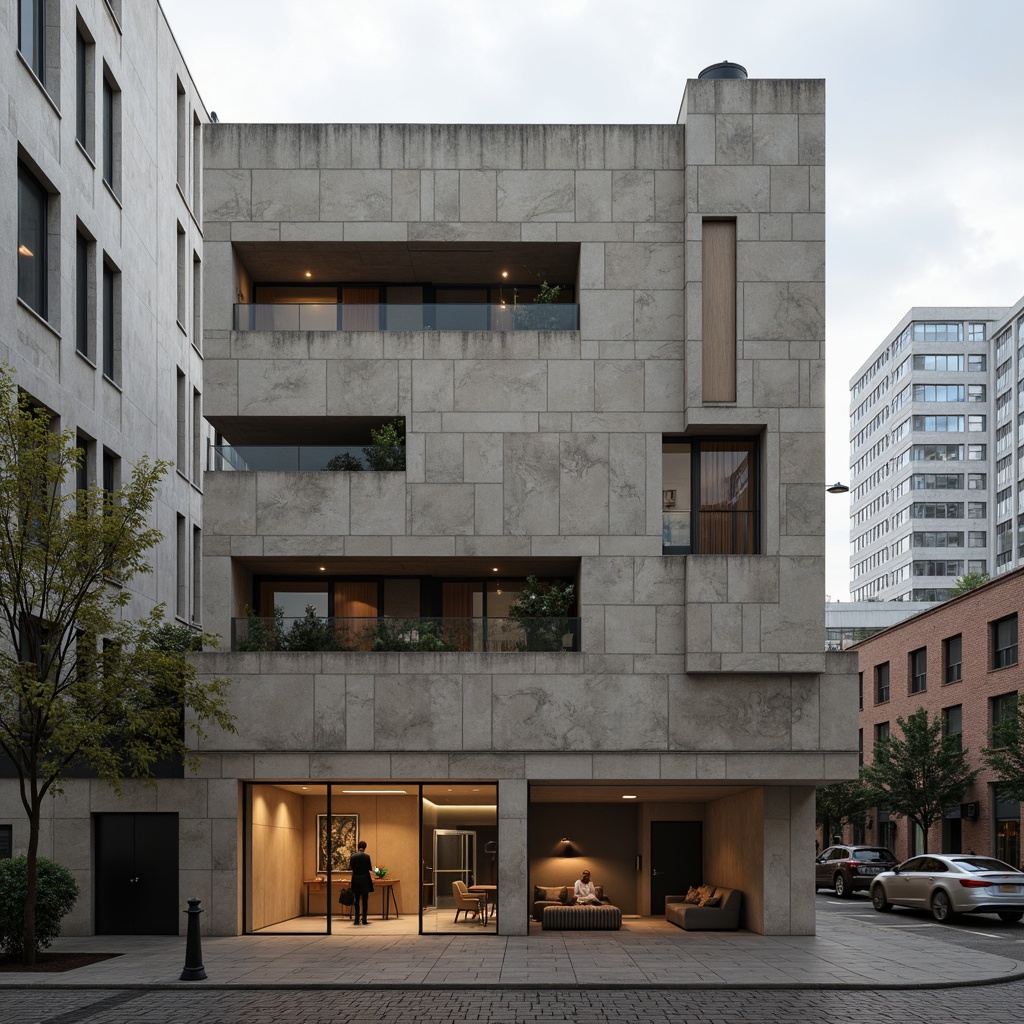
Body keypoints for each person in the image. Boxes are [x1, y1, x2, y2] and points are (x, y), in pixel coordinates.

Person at [349, 840, 374, 925]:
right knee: (364, 900)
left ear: (358, 847)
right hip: (364, 879)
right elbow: (370, 868)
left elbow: (351, 867)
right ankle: (364, 919)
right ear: (365, 847)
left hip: (355, 879)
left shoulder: (353, 856)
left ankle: (356, 919)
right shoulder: (367, 857)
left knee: (356, 900)